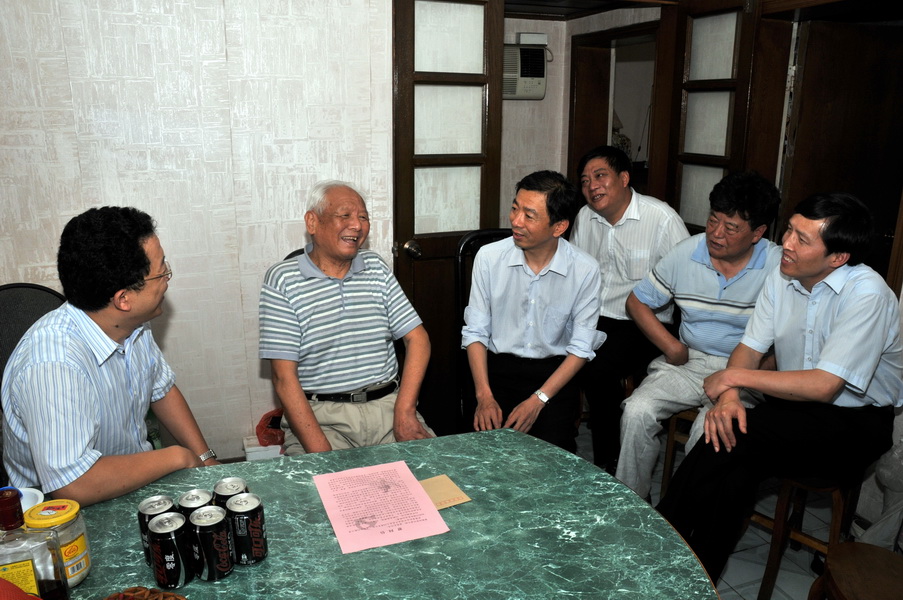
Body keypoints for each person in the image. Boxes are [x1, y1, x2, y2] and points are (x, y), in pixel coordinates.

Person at [657, 192, 903, 582]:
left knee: (728, 441)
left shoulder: (867, 294)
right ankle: (693, 576)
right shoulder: (783, 276)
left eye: (802, 239)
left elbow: (824, 385)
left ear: (838, 257)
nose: (785, 243)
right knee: (731, 457)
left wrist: (732, 379)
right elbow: (749, 348)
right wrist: (729, 398)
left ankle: (655, 545)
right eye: (789, 230)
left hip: (855, 424)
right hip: (792, 410)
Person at [2, 207, 219, 507]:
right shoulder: (52, 363)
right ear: (123, 299)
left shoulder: (131, 324)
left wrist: (206, 459)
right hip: (62, 513)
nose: (167, 278)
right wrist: (178, 456)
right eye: (161, 271)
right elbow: (74, 484)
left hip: (134, 483)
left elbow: (161, 389)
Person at [616, 171, 782, 500]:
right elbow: (637, 302)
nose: (716, 234)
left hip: (744, 373)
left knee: (707, 431)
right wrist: (671, 346)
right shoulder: (687, 252)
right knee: (636, 411)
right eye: (712, 220)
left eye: (731, 227)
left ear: (757, 233)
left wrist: (766, 367)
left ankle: (683, 515)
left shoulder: (778, 266)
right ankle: (632, 504)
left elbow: (793, 333)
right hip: (691, 363)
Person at [258, 180, 434, 455]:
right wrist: (322, 453)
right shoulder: (283, 279)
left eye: (363, 217)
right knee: (329, 483)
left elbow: (418, 339)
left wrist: (405, 410)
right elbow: (283, 377)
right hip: (322, 419)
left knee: (437, 475)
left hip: (388, 409)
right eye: (345, 215)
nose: (357, 225)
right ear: (312, 222)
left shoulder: (375, 267)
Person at [462, 171, 605, 452]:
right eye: (515, 208)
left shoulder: (584, 269)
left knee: (553, 460)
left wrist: (539, 399)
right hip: (494, 371)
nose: (516, 221)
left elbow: (581, 348)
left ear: (559, 227)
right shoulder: (489, 258)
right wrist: (484, 396)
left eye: (529, 215)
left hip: (553, 376)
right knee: (485, 458)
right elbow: (476, 332)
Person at [570, 145, 690, 471]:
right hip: (595, 316)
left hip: (644, 322)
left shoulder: (661, 218)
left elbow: (689, 280)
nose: (592, 186)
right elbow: (576, 273)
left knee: (596, 370)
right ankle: (560, 445)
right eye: (585, 181)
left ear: (624, 178)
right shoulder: (585, 217)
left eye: (600, 176)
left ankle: (610, 466)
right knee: (552, 352)